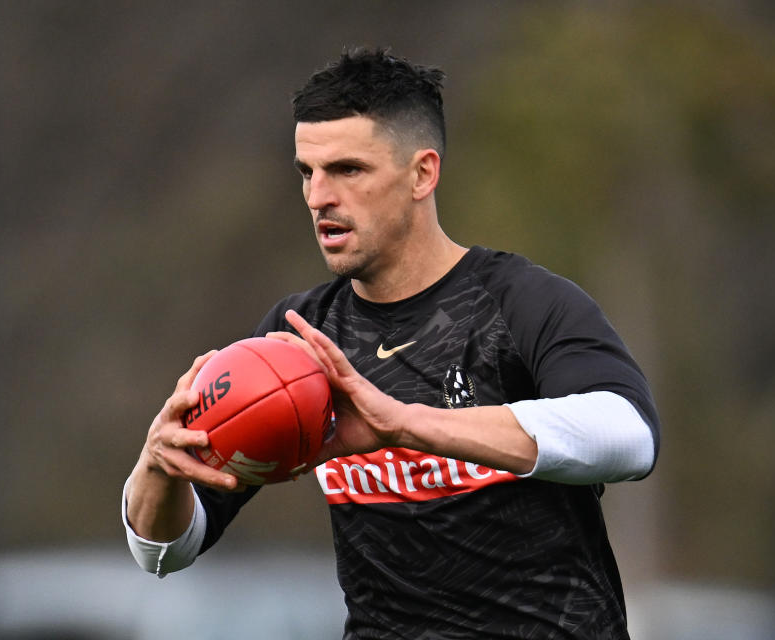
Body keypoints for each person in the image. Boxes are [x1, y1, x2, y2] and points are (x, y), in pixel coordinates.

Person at [123, 47, 660, 639]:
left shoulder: (517, 301)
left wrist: (406, 425)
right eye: (307, 171)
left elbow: (629, 436)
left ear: (422, 174)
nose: (318, 196)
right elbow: (164, 552)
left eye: (348, 170)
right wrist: (158, 469)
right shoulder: (297, 340)